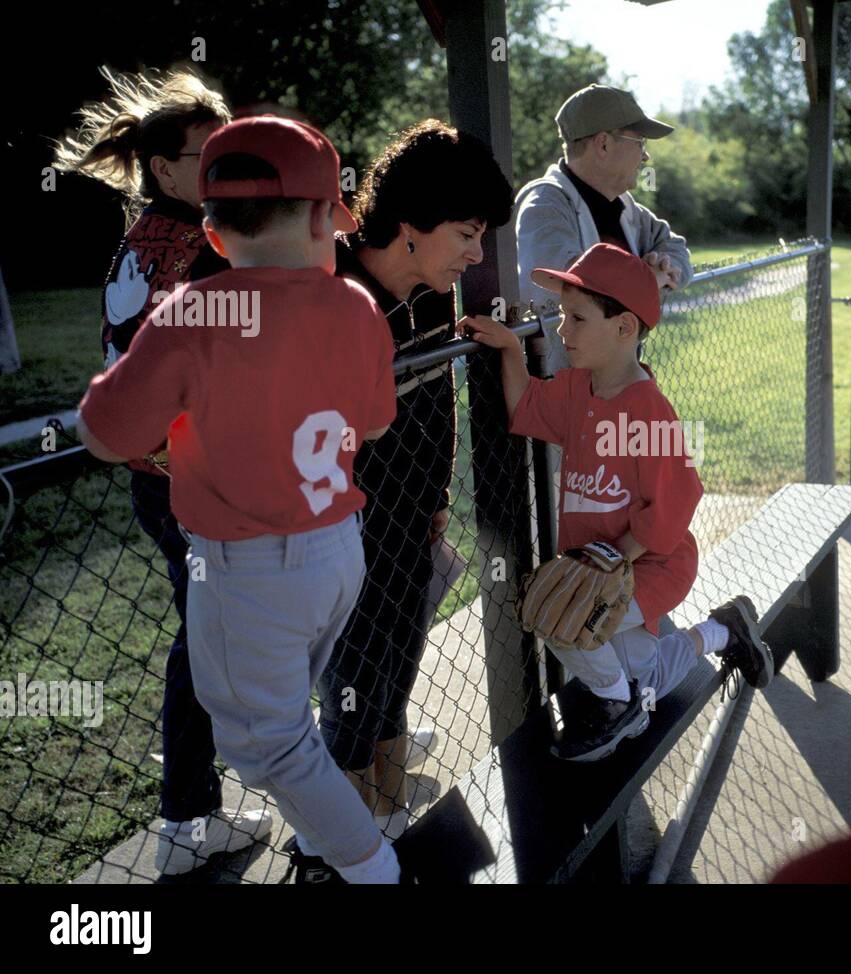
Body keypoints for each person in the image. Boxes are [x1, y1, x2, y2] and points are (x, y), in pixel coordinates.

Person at [77, 115, 404, 883]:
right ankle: (327, 845)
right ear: (324, 216)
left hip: (247, 571)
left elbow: (105, 432)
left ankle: (374, 868)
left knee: (265, 744)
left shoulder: (195, 311)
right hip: (338, 550)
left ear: (215, 233)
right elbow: (378, 419)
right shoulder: (355, 304)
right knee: (292, 713)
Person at [53, 66, 272, 876]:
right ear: (165, 166)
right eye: (207, 147)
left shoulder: (142, 239)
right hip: (187, 477)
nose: (224, 156)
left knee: (213, 632)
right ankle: (188, 813)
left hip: (158, 473)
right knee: (207, 638)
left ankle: (209, 788)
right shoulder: (195, 249)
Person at [460, 243, 773, 761]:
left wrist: (613, 558)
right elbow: (526, 408)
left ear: (625, 328)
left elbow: (678, 500)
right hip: (603, 566)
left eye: (577, 318)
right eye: (563, 315)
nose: (563, 330)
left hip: (653, 563)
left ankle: (613, 704)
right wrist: (511, 352)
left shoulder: (648, 412)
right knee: (641, 674)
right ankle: (723, 630)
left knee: (561, 619)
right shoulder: (576, 390)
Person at [316, 119, 514, 848]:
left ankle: (388, 819)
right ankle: (334, 840)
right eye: (466, 232)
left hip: (406, 518)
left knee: (397, 671)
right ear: (409, 226)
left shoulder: (432, 292)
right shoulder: (328, 285)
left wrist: (433, 500)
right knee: (352, 687)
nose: (477, 253)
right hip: (336, 529)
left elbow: (437, 402)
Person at [514, 84, 692, 375]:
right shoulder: (545, 203)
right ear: (604, 144)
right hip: (559, 392)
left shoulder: (623, 204)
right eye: (640, 142)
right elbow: (566, 286)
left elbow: (678, 250)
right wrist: (648, 280)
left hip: (608, 386)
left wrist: (656, 274)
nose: (645, 157)